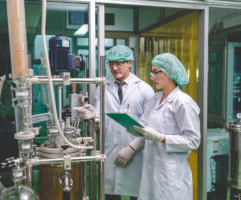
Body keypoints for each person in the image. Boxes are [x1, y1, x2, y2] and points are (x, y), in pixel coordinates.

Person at [74, 45, 154, 200]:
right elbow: (99, 118)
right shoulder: (102, 87)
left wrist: (132, 148)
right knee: (110, 194)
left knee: (136, 195)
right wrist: (93, 117)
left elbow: (150, 127)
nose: (114, 68)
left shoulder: (145, 90)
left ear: (130, 62)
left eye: (119, 63)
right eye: (111, 64)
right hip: (110, 152)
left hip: (136, 153)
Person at [131, 53, 201, 200]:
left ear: (170, 73)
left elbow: (193, 140)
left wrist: (161, 138)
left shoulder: (183, 102)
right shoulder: (155, 99)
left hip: (171, 177)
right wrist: (127, 119)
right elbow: (143, 126)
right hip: (151, 171)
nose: (152, 77)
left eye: (156, 72)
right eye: (152, 72)